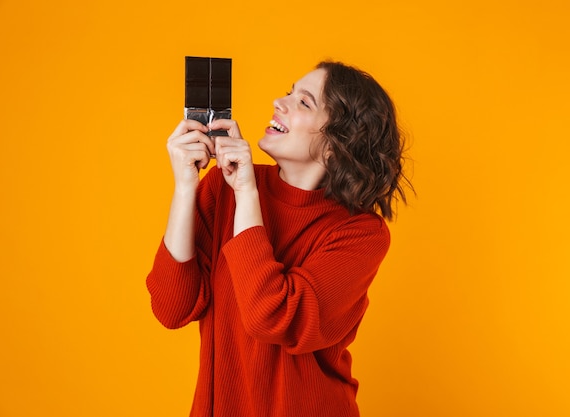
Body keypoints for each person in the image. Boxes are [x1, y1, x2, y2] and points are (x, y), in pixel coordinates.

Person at [146, 60, 412, 417]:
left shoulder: (360, 234)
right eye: (289, 92)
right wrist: (185, 186)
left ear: (338, 143)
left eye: (304, 102)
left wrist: (246, 191)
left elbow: (269, 316)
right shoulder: (221, 189)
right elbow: (171, 307)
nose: (278, 102)